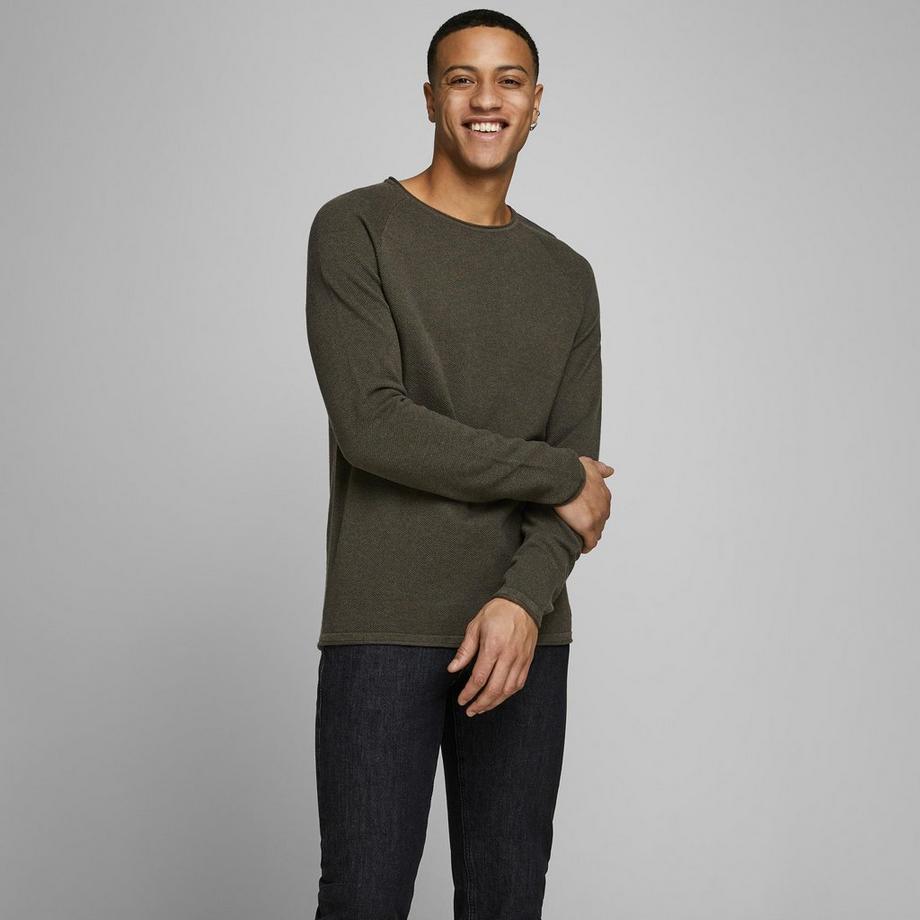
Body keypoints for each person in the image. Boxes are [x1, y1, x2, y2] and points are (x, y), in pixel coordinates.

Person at [304, 9, 614, 918]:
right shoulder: (356, 227)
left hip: (524, 633)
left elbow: (578, 481)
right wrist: (559, 475)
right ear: (431, 97)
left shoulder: (568, 276)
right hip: (384, 626)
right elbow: (374, 427)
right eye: (463, 78)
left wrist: (522, 602)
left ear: (536, 102)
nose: (487, 98)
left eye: (509, 80)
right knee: (363, 900)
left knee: (507, 901)